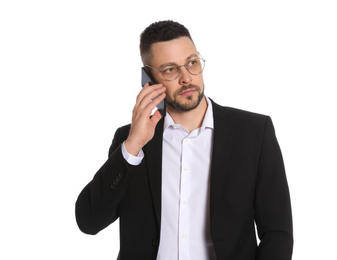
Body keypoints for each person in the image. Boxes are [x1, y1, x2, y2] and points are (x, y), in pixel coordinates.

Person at [75, 20, 293, 260]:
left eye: (192, 63)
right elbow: (89, 221)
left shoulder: (253, 132)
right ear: (148, 78)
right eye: (170, 69)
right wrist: (133, 146)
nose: (187, 78)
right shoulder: (130, 142)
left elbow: (277, 233)